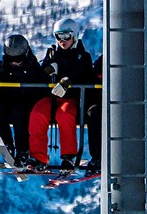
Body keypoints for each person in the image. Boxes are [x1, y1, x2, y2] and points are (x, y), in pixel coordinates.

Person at [30, 17, 95, 171]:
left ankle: (68, 157)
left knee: (65, 115)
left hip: (70, 98)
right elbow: (40, 75)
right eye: (58, 36)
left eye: (66, 36)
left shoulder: (82, 56)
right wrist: (47, 70)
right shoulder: (52, 54)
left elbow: (83, 73)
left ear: (74, 36)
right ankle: (38, 157)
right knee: (37, 113)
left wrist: (68, 80)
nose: (62, 40)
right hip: (51, 97)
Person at [0, 34, 42, 166]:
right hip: (8, 100)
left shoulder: (33, 68)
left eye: (19, 60)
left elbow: (40, 82)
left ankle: (23, 150)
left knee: (20, 114)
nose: (15, 63)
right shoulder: (3, 67)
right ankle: (6, 143)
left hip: (26, 101)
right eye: (12, 60)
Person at [83, 54, 103, 171]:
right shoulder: (100, 65)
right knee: (95, 117)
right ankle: (97, 157)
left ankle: (98, 157)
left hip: (104, 105)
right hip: (98, 105)